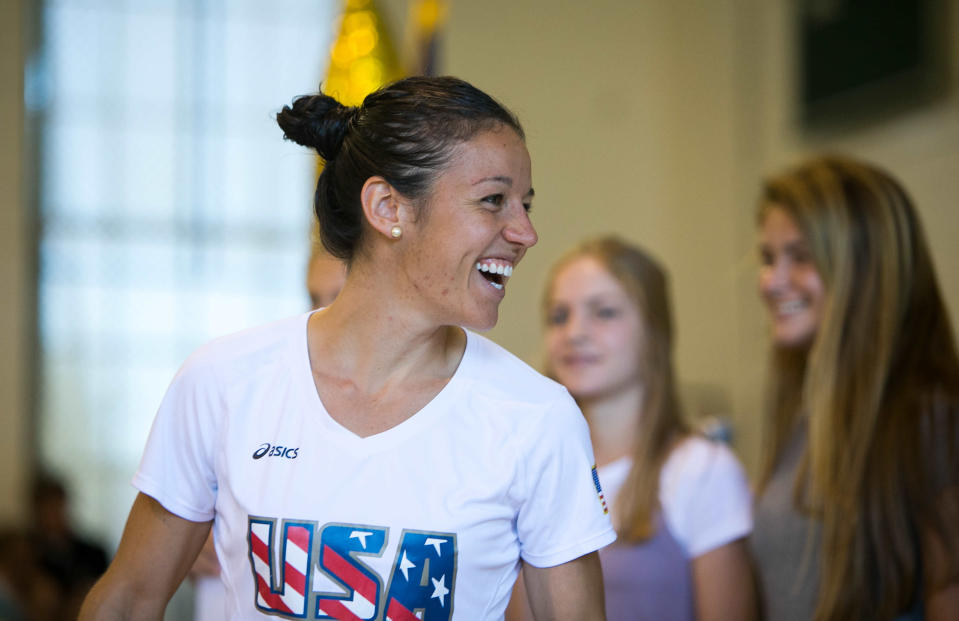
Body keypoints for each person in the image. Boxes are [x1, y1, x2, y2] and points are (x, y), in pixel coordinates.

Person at [79, 75, 615, 620]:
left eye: (524, 204)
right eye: (493, 200)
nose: (525, 232)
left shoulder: (538, 420)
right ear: (387, 208)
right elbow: (126, 602)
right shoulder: (223, 383)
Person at [749, 155, 959, 621]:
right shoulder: (799, 420)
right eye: (768, 258)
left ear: (866, 268)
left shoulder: (930, 417)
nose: (773, 281)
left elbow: (949, 591)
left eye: (800, 257)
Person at [510, 236, 756, 621]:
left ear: (654, 330)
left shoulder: (702, 470)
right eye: (559, 316)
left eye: (604, 312)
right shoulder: (531, 472)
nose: (575, 332)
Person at [189, 238, 348, 621]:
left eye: (340, 297)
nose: (321, 312)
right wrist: (189, 545)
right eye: (313, 297)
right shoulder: (250, 392)